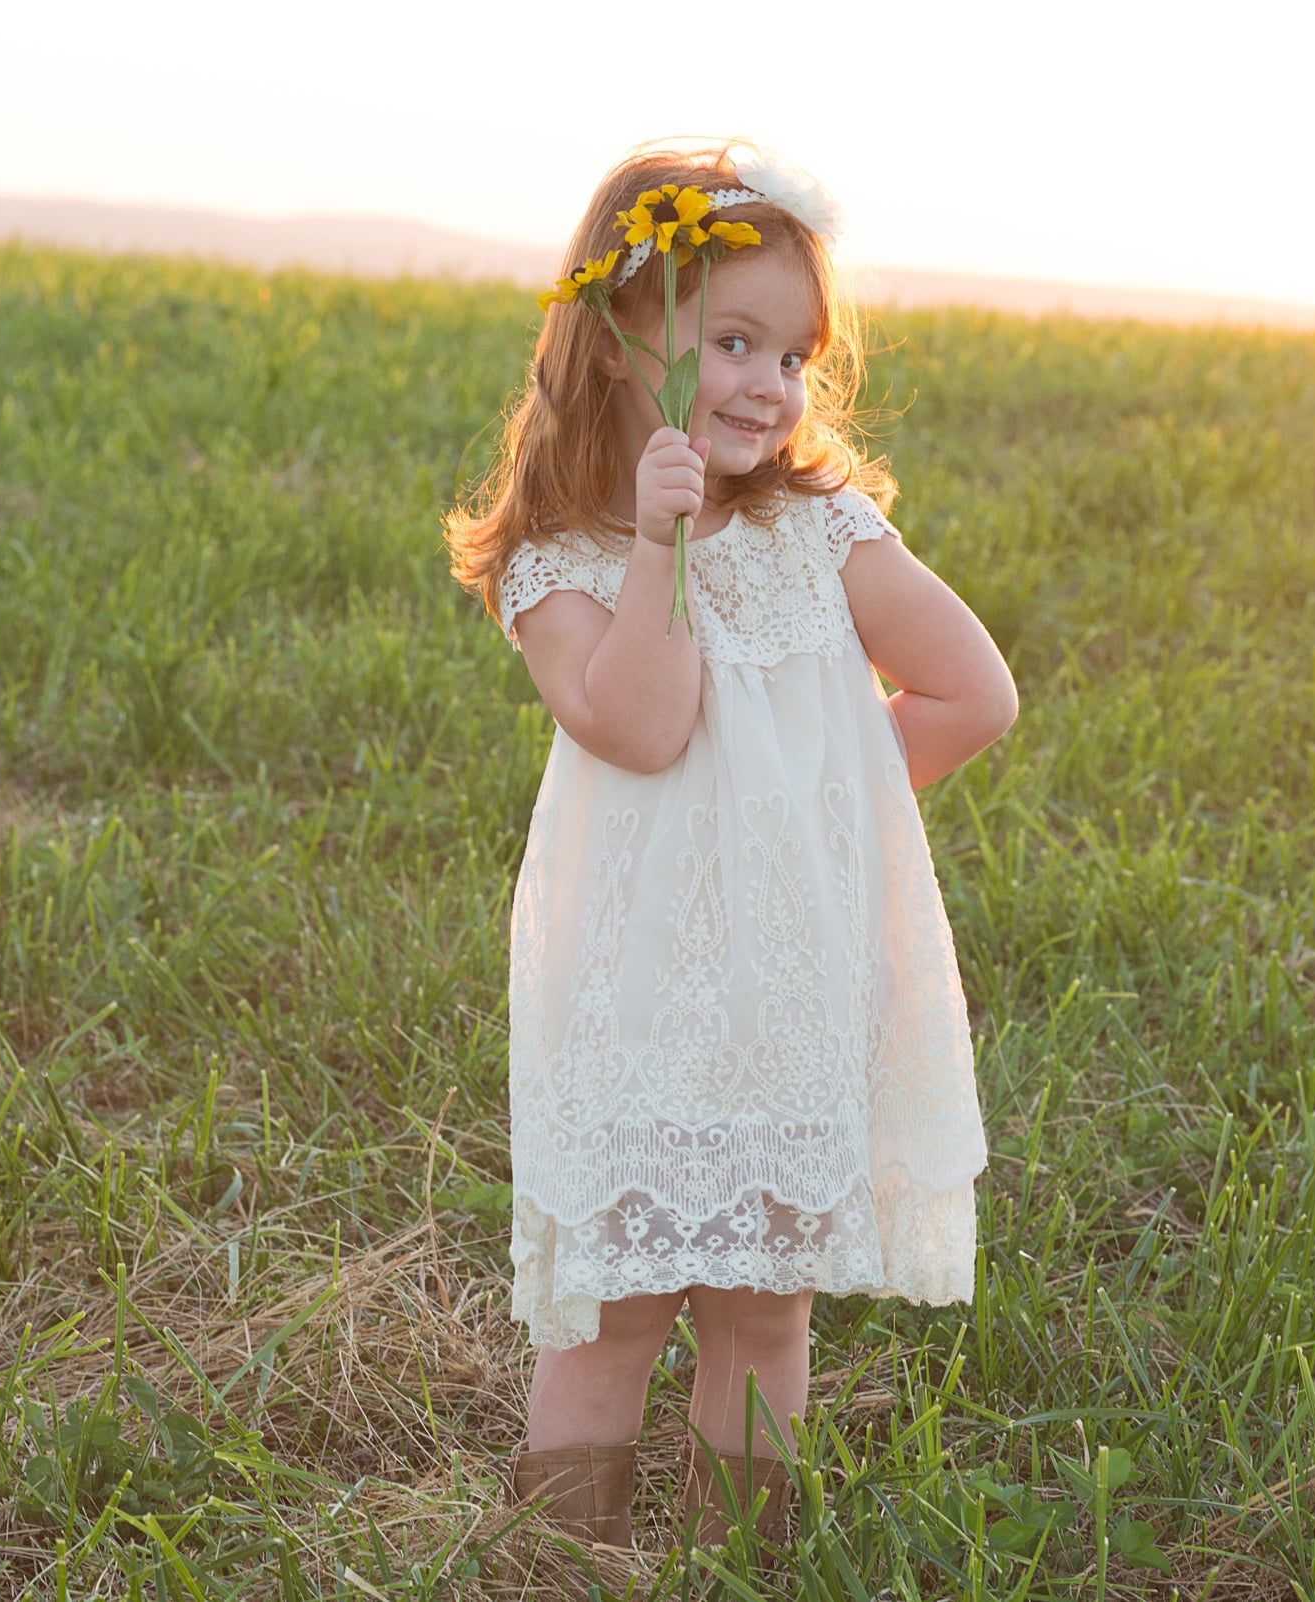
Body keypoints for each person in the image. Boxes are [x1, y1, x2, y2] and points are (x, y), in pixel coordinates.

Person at [443, 138, 1018, 1549]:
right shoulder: (560, 559)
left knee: (765, 1307)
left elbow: (973, 693)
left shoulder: (827, 533)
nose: (771, 383)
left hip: (791, 985)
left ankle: (735, 1560)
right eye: (733, 343)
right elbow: (641, 729)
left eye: (797, 355)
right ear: (617, 341)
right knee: (615, 1306)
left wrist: (818, 815)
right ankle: (565, 1556)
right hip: (636, 995)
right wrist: (661, 544)